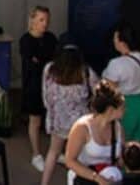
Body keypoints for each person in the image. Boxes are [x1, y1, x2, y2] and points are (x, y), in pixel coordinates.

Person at [42, 44, 99, 185]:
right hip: (80, 123)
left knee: (53, 152)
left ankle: (44, 183)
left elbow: (45, 94)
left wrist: (51, 112)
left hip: (58, 121)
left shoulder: (49, 69)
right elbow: (99, 90)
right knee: (79, 159)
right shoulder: (85, 71)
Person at [65, 80, 126, 185]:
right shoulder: (82, 127)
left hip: (109, 178)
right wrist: (97, 178)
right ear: (111, 110)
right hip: (84, 180)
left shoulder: (118, 128)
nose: (125, 110)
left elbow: (120, 160)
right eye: (122, 108)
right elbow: (70, 161)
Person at [22, 5, 60, 172]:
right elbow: (35, 64)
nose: (45, 24)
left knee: (55, 120)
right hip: (34, 86)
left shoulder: (52, 38)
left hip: (52, 86)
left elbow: (56, 61)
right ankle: (36, 155)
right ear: (32, 21)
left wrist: (43, 61)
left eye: (47, 20)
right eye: (41, 20)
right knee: (35, 120)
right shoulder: (26, 40)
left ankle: (56, 152)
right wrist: (43, 62)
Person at [105, 24, 140, 146]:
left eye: (115, 38)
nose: (114, 41)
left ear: (123, 42)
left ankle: (125, 165)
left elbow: (108, 89)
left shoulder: (117, 64)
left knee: (123, 141)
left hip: (125, 105)